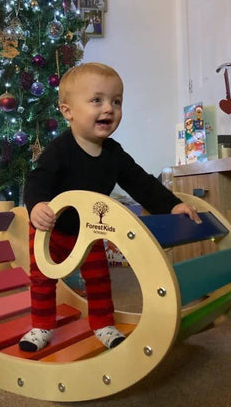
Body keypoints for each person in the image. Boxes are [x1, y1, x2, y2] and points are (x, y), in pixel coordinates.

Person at [19, 62, 201, 352]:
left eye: (116, 101)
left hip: (89, 231)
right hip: (50, 229)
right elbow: (38, 179)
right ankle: (41, 326)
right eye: (97, 100)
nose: (109, 109)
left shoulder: (114, 154)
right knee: (42, 279)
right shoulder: (60, 150)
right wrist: (37, 205)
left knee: (100, 278)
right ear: (68, 111)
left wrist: (172, 206)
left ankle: (103, 323)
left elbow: (141, 183)